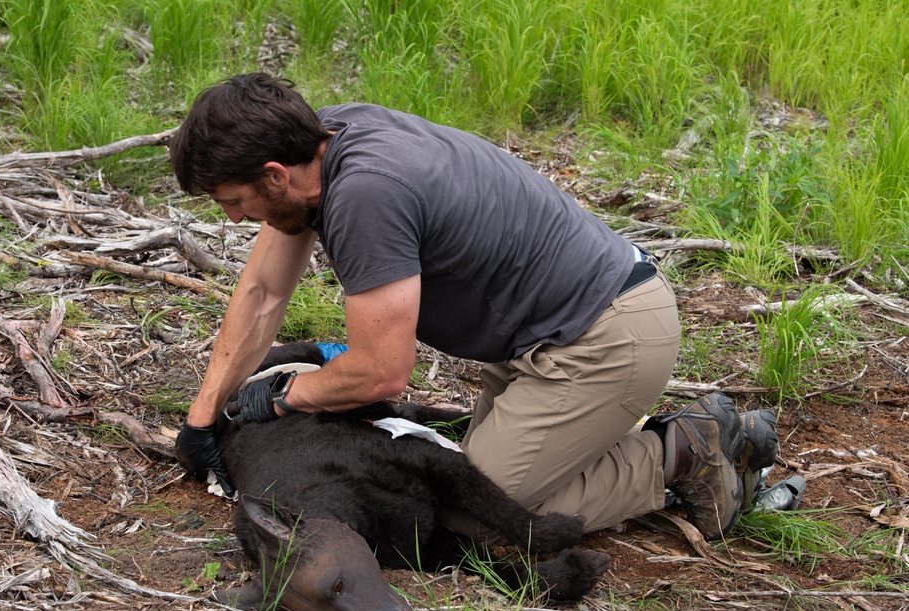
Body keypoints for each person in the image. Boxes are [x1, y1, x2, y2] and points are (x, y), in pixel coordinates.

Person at [169, 73, 777, 542]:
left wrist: (283, 397)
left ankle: (681, 452)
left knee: (473, 513)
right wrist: (203, 417)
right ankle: (620, 439)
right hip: (542, 338)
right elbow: (263, 293)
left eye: (233, 200)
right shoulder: (322, 144)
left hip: (601, 339)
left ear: (275, 174)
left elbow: (382, 371)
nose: (234, 218)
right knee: (473, 471)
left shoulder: (365, 195)